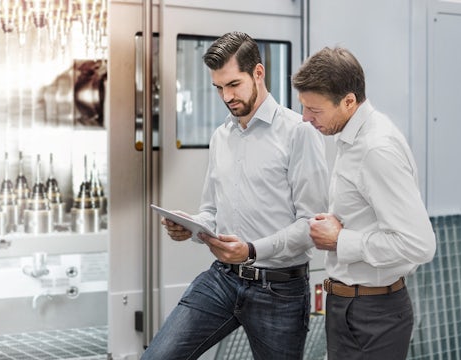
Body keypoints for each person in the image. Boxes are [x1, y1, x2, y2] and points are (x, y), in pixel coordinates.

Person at [141, 31, 329, 359]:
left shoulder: (299, 133)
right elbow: (211, 211)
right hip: (223, 280)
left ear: (258, 73)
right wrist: (193, 226)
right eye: (218, 88)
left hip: (280, 290)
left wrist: (252, 250)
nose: (226, 96)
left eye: (233, 84)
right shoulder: (221, 137)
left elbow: (311, 226)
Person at [292, 46, 437, 360]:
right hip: (348, 305)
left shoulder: (376, 149)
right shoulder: (351, 139)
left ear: (348, 102)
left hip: (374, 314)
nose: (305, 119)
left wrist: (341, 240)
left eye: (314, 110)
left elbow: (420, 245)